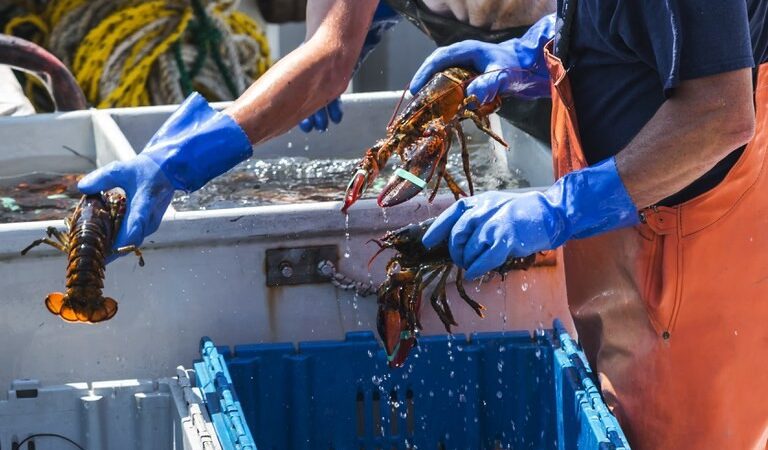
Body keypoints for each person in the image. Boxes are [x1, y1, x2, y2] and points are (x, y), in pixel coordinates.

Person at [410, 1, 768, 449]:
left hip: (690, 289)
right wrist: (534, 52)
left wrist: (561, 208)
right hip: (627, 275)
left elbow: (719, 117)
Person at [78, 0, 555, 253]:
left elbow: (325, 67)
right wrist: (361, 28)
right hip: (512, 115)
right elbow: (325, 51)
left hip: (589, 82)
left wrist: (181, 161)